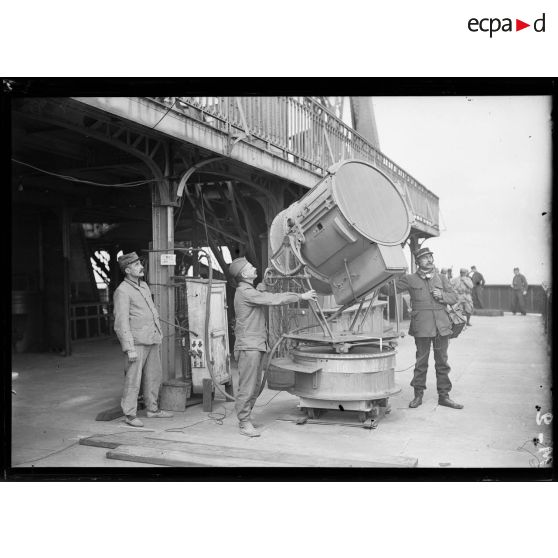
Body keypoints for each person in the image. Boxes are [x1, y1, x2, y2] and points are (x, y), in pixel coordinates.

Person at [229, 256, 317, 437]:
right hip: (249, 347)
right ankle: (244, 422)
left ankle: (246, 417)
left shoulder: (249, 290)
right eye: (250, 267)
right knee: (247, 386)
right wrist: (300, 296)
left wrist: (266, 282)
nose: (254, 268)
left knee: (254, 386)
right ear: (244, 274)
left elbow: (260, 293)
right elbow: (271, 299)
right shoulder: (245, 292)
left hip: (256, 345)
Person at [388, 246, 463, 410]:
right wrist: (384, 275)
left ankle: (444, 396)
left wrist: (442, 296)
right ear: (418, 262)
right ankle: (418, 396)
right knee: (421, 362)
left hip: (441, 327)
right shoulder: (409, 279)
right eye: (425, 257)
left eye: (430, 256)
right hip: (422, 327)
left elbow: (454, 297)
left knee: (442, 362)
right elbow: (388, 290)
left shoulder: (442, 278)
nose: (429, 259)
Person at [113, 252, 173, 427]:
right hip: (137, 342)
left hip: (152, 337)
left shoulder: (144, 286)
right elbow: (121, 322)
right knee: (133, 379)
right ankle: (130, 415)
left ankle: (152, 410)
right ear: (127, 270)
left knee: (154, 376)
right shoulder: (122, 291)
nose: (141, 267)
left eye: (140, 264)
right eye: (137, 265)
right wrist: (129, 347)